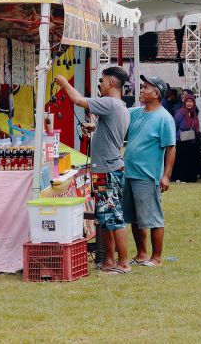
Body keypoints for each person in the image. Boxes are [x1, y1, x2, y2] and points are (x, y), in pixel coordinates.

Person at [55, 67, 131, 274]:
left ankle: (123, 262)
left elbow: (79, 101)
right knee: (105, 217)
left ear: (111, 84)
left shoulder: (110, 103)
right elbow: (111, 133)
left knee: (113, 216)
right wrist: (95, 130)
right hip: (105, 168)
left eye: (103, 81)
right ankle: (108, 260)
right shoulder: (120, 107)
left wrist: (63, 82)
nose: (101, 85)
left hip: (107, 169)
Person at [124, 75, 176, 267]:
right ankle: (141, 254)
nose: (142, 90)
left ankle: (156, 258)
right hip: (129, 172)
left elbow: (170, 147)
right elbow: (118, 114)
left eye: (146, 87)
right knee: (135, 218)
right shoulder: (137, 112)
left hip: (147, 175)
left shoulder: (164, 118)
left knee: (153, 218)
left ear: (157, 93)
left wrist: (166, 176)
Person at [172, 93, 201, 183]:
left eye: (191, 101)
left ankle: (189, 177)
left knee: (190, 159)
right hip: (181, 139)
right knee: (181, 159)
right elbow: (174, 124)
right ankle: (179, 177)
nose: (189, 103)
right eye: (187, 101)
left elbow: (195, 124)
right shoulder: (180, 112)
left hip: (191, 139)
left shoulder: (194, 112)